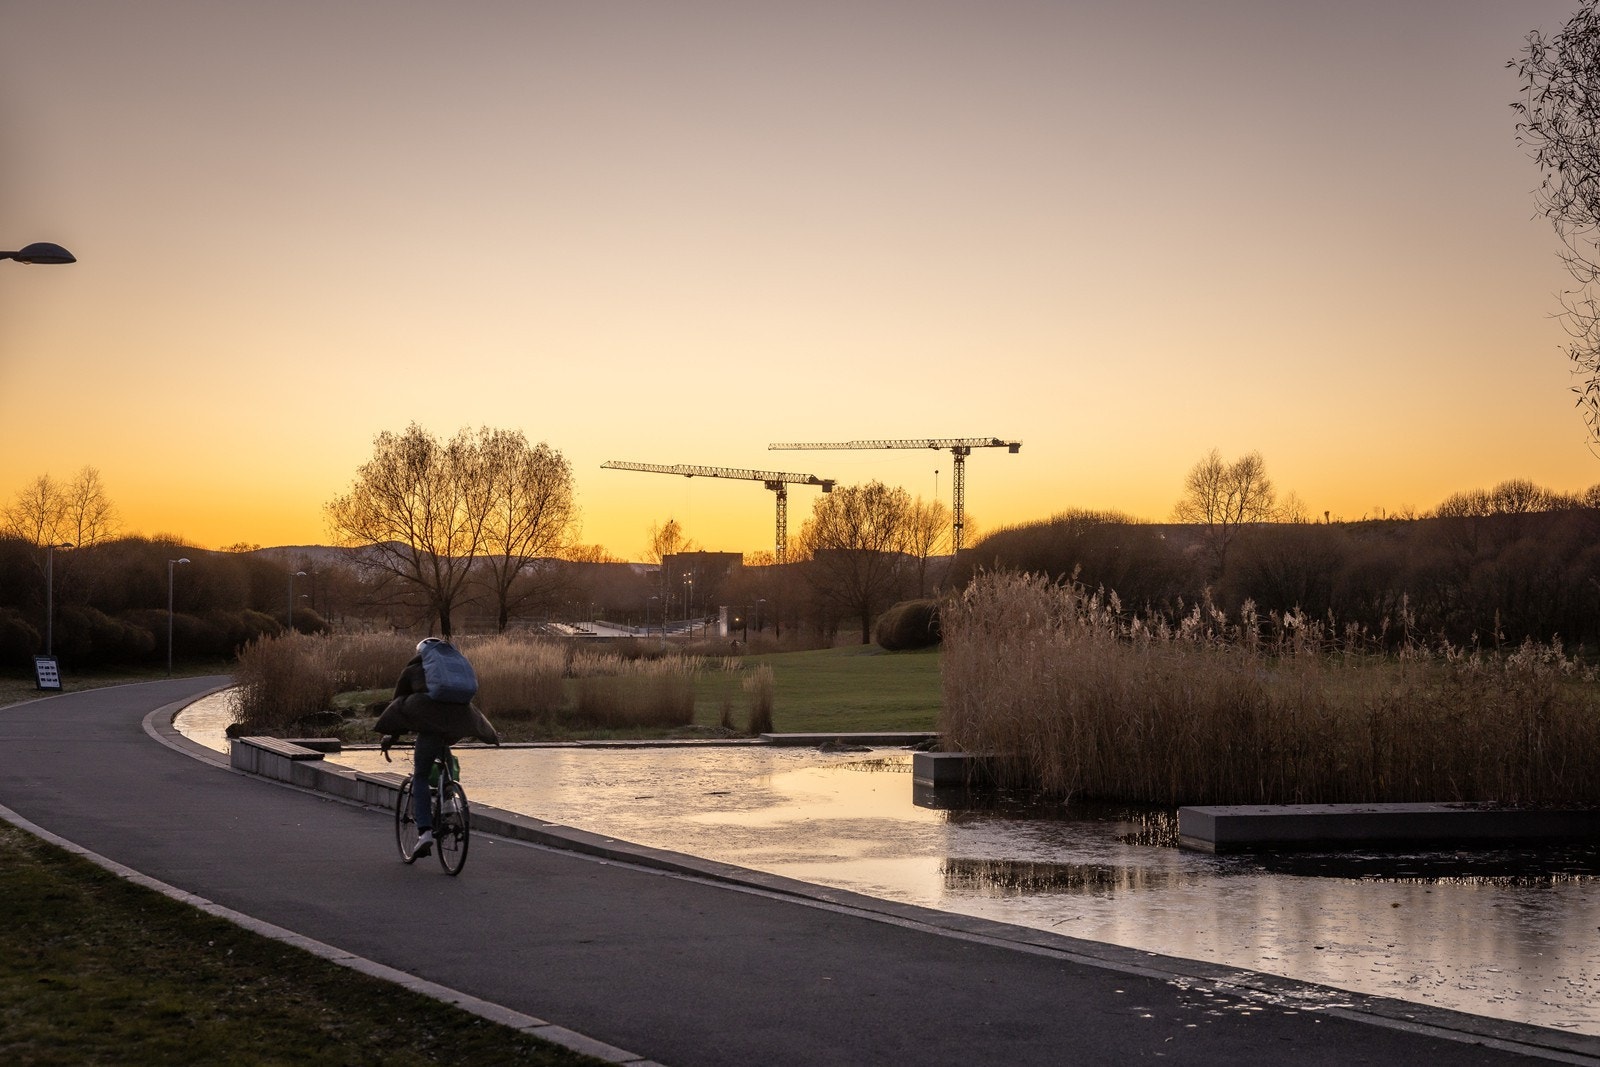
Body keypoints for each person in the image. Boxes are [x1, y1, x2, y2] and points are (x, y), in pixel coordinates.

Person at [375, 637, 499, 859]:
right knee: (443, 749)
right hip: (460, 722)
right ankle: (450, 801)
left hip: (431, 724)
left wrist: (390, 737)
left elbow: (398, 708)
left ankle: (424, 833)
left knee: (421, 775)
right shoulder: (453, 668)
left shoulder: (413, 670)